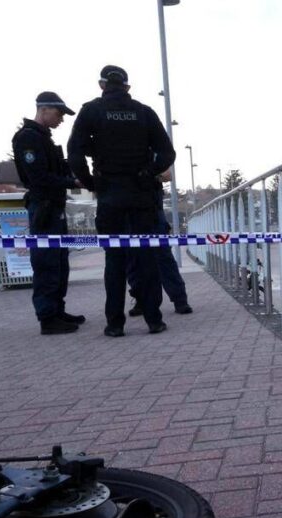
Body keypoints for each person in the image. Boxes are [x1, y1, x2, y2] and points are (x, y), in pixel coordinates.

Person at [68, 65, 174, 337]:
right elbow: (167, 152)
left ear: (102, 85)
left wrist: (93, 184)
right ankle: (154, 320)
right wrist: (149, 173)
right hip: (141, 196)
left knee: (114, 261)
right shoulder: (143, 112)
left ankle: (115, 323)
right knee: (146, 258)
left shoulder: (91, 111)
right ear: (127, 87)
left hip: (110, 196)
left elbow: (75, 154)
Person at [12, 91, 85, 335]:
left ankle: (57, 310)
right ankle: (47, 317)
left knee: (60, 262)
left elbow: (56, 169)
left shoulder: (43, 138)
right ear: (43, 110)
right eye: (58, 113)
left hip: (54, 207)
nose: (61, 119)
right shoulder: (28, 138)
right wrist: (72, 183)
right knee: (46, 263)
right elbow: (38, 177)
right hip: (43, 207)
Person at [128, 168, 192, 316]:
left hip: (152, 211)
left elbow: (167, 174)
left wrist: (146, 174)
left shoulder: (151, 149)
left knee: (164, 258)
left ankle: (180, 300)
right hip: (129, 212)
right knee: (133, 260)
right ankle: (140, 299)